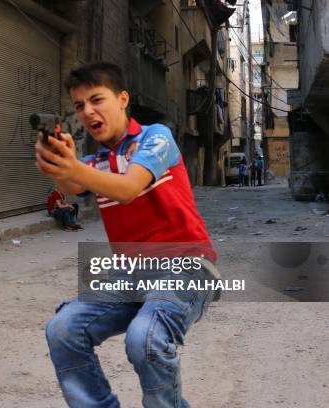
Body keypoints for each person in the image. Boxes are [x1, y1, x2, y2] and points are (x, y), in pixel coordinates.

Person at [36, 61, 217, 407]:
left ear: (122, 99)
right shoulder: (96, 161)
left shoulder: (156, 138)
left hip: (189, 266)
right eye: (79, 106)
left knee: (144, 338)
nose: (88, 111)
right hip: (131, 274)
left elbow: (128, 188)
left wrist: (73, 169)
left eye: (96, 100)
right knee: (63, 330)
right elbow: (72, 185)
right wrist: (56, 164)